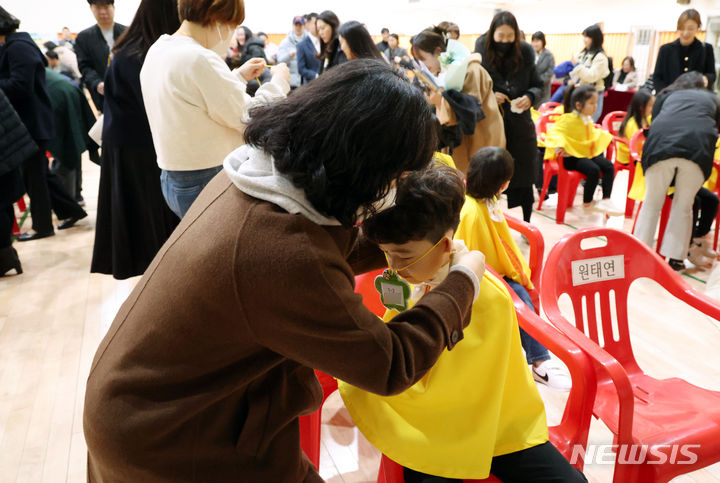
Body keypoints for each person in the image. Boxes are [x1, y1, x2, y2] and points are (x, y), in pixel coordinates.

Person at [83, 59, 486, 481]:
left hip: (151, 401)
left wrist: (403, 252)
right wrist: (463, 280)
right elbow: (391, 364)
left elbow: (328, 243)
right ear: (365, 165)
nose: (393, 188)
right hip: (167, 435)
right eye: (396, 175)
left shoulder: (259, 176)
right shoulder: (282, 250)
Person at [339, 165, 586, 483]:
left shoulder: (488, 297)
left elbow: (496, 383)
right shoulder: (410, 282)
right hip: (426, 417)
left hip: (497, 421)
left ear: (444, 245)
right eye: (386, 254)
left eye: (403, 255)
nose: (394, 268)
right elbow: (400, 359)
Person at [140, 0, 290, 219]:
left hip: (174, 179)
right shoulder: (199, 58)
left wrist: (238, 75)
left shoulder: (161, 48)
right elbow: (250, 117)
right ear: (216, 17)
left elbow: (196, 96)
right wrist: (279, 82)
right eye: (231, 25)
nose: (231, 33)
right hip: (206, 179)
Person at [457, 147, 571, 390]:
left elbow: (499, 244)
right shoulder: (472, 212)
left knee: (521, 289)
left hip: (488, 270)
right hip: (478, 277)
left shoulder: (486, 203)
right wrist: (513, 274)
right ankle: (540, 363)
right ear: (504, 183)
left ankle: (536, 359)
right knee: (519, 294)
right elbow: (476, 253)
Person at [91, 0, 181, 280]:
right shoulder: (140, 53)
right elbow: (154, 106)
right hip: (137, 148)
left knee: (146, 227)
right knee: (148, 226)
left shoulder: (132, 47)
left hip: (131, 144)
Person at [0, 6, 87, 241]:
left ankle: (43, 227)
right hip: (30, 123)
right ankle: (71, 210)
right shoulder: (16, 45)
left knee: (35, 178)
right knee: (39, 175)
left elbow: (20, 85)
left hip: (31, 124)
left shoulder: (18, 46)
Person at [634, 72, 720, 271]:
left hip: (660, 148)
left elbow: (656, 122)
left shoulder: (665, 95)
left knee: (651, 203)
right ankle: (675, 259)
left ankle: (639, 252)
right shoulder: (712, 99)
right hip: (697, 150)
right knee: (684, 207)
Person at [476, 11, 543, 222]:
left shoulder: (525, 51)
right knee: (490, 172)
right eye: (500, 35)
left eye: (509, 36)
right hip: (492, 122)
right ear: (492, 33)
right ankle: (487, 220)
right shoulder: (482, 49)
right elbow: (474, 86)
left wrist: (530, 97)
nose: (505, 40)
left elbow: (538, 84)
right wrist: (489, 95)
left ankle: (526, 221)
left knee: (524, 170)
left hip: (520, 121)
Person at [413, 25, 505, 173]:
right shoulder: (450, 71)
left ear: (438, 52)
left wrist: (438, 101)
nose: (424, 66)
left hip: (482, 142)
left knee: (481, 187)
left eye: (423, 59)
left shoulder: (471, 69)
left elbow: (470, 111)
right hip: (469, 145)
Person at [544, 84, 623, 215]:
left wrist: (607, 136)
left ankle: (606, 199)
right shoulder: (568, 119)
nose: (595, 106)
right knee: (594, 170)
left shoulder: (587, 120)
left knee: (609, 166)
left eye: (596, 103)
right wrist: (562, 145)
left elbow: (595, 134)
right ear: (579, 105)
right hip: (571, 158)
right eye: (591, 103)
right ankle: (587, 203)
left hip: (584, 154)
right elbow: (554, 132)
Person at [44, 68, 97, 203]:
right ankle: (76, 197)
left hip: (58, 97)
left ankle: (70, 201)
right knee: (72, 146)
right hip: (67, 91)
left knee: (66, 151)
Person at [0, 89, 35, 276]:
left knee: (2, 206)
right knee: (4, 204)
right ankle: (7, 256)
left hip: (5, 153)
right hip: (9, 150)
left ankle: (5, 258)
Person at [75, 0, 127, 112]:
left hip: (129, 93)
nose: (103, 12)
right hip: (104, 96)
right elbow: (85, 67)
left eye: (106, 6)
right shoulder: (83, 38)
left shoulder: (127, 33)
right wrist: (97, 83)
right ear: (91, 8)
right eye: (98, 7)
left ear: (113, 7)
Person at [652, 9, 716, 94]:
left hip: (696, 98)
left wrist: (706, 79)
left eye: (690, 29)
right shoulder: (665, 49)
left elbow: (712, 74)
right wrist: (665, 95)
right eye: (682, 28)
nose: (685, 33)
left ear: (698, 28)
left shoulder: (706, 49)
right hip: (669, 99)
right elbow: (657, 78)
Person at [568, 24, 610, 122]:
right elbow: (575, 72)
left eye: (587, 37)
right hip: (580, 93)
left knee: (589, 123)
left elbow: (591, 76)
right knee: (577, 123)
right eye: (584, 36)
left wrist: (577, 65)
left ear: (595, 38)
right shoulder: (583, 53)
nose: (584, 39)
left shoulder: (601, 57)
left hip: (593, 95)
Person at [616, 89, 654, 166]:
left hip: (640, 151)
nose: (653, 108)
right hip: (630, 156)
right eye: (650, 106)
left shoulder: (647, 118)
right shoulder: (632, 123)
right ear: (641, 108)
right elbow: (636, 145)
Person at [277, 16, 306, 89]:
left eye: (300, 25)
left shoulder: (309, 41)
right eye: (296, 25)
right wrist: (290, 55)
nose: (298, 27)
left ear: (304, 26)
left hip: (307, 82)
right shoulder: (285, 42)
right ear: (293, 26)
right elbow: (280, 60)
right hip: (291, 83)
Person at [531, 31, 555, 108]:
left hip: (543, 91)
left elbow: (549, 72)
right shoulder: (530, 53)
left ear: (543, 42)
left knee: (541, 113)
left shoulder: (549, 55)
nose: (535, 44)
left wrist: (537, 81)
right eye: (533, 41)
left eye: (537, 41)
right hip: (531, 90)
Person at [297, 12, 321, 83]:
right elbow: (301, 69)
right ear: (307, 25)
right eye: (314, 23)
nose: (317, 26)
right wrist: (316, 76)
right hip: (311, 84)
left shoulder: (325, 41)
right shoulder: (302, 45)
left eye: (318, 23)